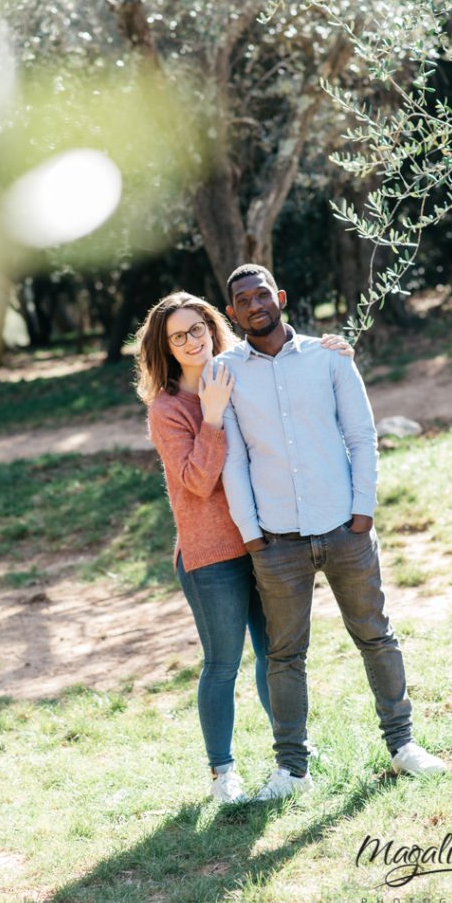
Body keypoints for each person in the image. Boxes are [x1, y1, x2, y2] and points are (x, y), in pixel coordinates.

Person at [216, 264, 446, 801]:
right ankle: (292, 772)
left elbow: (362, 435)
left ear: (282, 297)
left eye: (262, 294)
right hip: (276, 542)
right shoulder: (225, 373)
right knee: (284, 655)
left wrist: (362, 513)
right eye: (243, 300)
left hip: (345, 529)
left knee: (376, 635)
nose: (255, 305)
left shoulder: (328, 357)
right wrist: (252, 536)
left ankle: (403, 746)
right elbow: (235, 462)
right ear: (233, 313)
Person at [135, 291, 353, 804]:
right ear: (165, 348)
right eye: (178, 336)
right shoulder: (168, 410)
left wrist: (332, 351)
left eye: (198, 329)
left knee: (273, 654)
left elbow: (290, 394)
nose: (192, 341)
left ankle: (292, 752)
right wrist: (210, 417)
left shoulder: (240, 377)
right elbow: (195, 481)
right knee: (221, 664)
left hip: (265, 540)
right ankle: (222, 772)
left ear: (214, 327)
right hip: (210, 556)